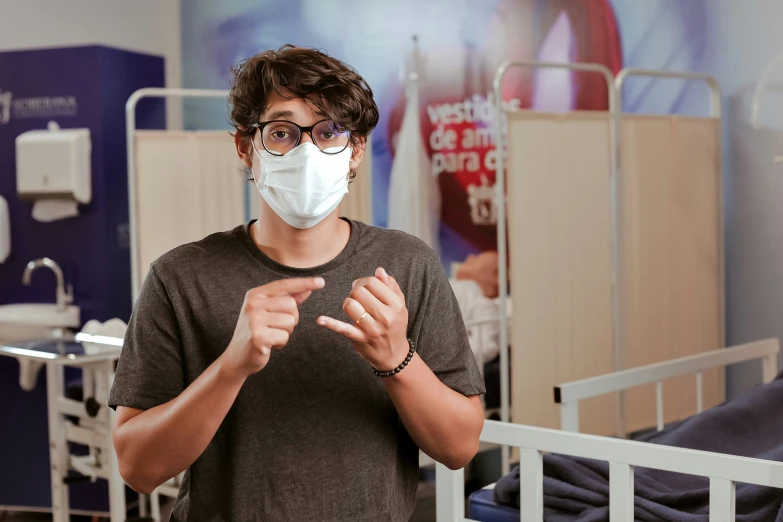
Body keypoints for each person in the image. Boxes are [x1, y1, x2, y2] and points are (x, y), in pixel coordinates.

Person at [108, 45, 485, 522]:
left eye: (329, 132)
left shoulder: (406, 265)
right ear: (246, 147)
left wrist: (396, 358)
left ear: (356, 151)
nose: (308, 151)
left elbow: (459, 448)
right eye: (282, 133)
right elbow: (138, 468)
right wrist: (231, 366)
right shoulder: (180, 277)